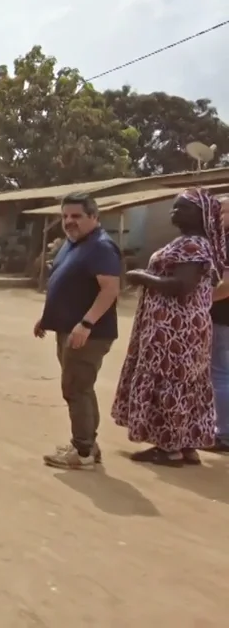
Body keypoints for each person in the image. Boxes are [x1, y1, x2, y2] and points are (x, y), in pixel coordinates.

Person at [112, 188, 223, 466]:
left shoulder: (192, 245)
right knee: (185, 383)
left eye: (182, 208)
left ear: (202, 214)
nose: (175, 212)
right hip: (184, 326)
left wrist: (142, 276)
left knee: (169, 381)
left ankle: (168, 448)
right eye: (174, 207)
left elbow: (181, 286)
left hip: (175, 328)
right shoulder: (195, 243)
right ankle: (185, 445)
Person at [35, 193, 121, 470]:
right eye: (65, 216)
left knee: (76, 389)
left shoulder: (101, 247)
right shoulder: (74, 244)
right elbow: (67, 284)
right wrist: (46, 319)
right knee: (81, 388)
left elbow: (110, 289)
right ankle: (87, 445)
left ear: (94, 217)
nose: (69, 221)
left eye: (76, 216)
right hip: (70, 330)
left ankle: (82, 453)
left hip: (88, 334)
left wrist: (86, 324)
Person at [210, 278, 229, 453]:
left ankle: (224, 434)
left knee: (220, 375)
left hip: (223, 319)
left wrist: (201, 298)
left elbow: (227, 284)